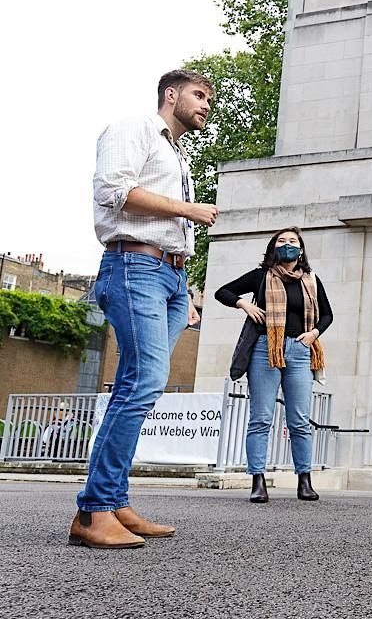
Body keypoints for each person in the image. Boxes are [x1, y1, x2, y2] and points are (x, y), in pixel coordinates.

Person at [73, 69, 217, 549]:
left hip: (170, 277)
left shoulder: (178, 155)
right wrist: (187, 210)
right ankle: (94, 511)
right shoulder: (133, 130)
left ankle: (112, 501)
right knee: (143, 383)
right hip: (135, 267)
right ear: (170, 95)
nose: (206, 105)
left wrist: (188, 287)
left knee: (139, 387)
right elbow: (112, 192)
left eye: (209, 99)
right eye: (199, 95)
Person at [215, 227, 332, 504]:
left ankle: (304, 481)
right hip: (264, 350)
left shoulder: (311, 280)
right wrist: (245, 305)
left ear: (301, 249)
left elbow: (327, 314)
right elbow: (223, 292)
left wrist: (313, 335)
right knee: (261, 418)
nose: (287, 245)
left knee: (300, 420)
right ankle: (258, 480)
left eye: (293, 241)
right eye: (282, 241)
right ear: (273, 248)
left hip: (299, 351)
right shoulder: (260, 277)